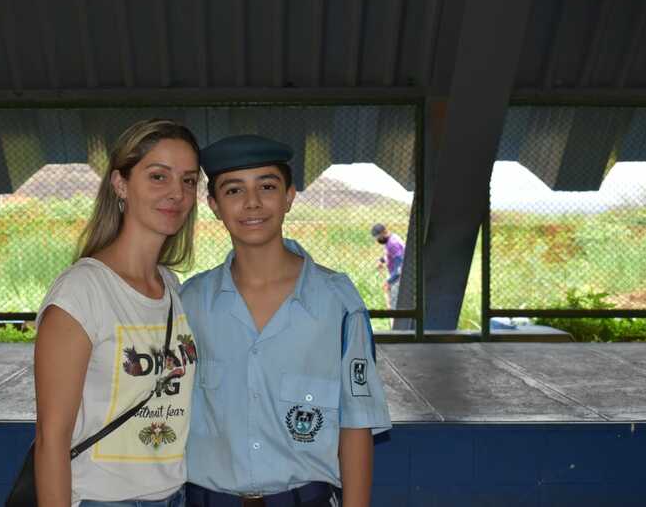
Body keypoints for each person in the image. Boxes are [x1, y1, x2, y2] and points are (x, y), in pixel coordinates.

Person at [181, 135, 392, 507]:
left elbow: (356, 422)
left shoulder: (337, 303)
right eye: (233, 190)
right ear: (214, 205)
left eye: (266, 186)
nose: (252, 202)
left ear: (289, 196)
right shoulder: (190, 302)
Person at [33, 119, 201, 507]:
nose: (176, 192)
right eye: (158, 176)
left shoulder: (171, 287)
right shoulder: (83, 291)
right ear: (120, 184)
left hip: (173, 496)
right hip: (101, 499)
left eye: (189, 180)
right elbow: (50, 441)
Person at [370, 224, 405, 310]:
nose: (378, 240)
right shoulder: (391, 239)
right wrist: (382, 260)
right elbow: (390, 254)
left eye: (379, 237)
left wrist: (389, 282)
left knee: (394, 305)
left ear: (384, 232)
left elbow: (400, 268)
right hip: (395, 275)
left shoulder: (393, 243)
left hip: (398, 278)